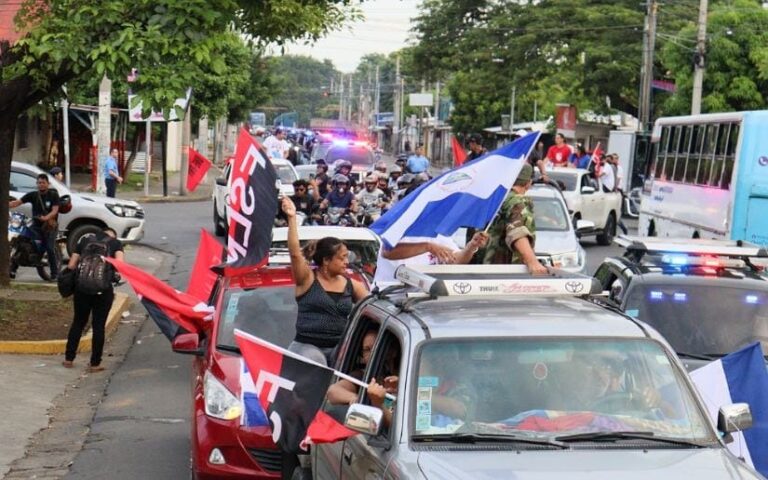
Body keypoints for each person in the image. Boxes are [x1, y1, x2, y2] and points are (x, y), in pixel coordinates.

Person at [281, 197, 368, 365]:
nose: (346, 262)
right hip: (307, 348)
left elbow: (372, 306)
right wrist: (292, 219)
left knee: (346, 362)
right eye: (342, 258)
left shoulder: (351, 285)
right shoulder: (307, 279)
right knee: (315, 362)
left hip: (338, 349)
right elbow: (295, 253)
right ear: (327, 260)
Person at [62, 227, 123, 372]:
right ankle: (95, 363)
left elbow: (71, 265)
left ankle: (69, 359)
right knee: (98, 326)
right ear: (112, 235)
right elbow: (120, 266)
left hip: (82, 289)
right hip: (103, 291)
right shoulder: (116, 244)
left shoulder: (84, 240)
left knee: (78, 322)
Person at [482, 164, 547, 274]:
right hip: (503, 273)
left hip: (480, 268)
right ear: (528, 183)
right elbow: (517, 231)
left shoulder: (492, 198)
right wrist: (533, 262)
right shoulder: (517, 201)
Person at [374, 232, 489, 286]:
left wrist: (471, 247)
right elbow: (387, 252)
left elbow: (456, 260)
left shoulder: (439, 235)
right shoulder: (399, 229)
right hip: (388, 298)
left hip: (422, 300)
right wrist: (427, 247)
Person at [8, 173, 60, 280]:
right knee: (21, 241)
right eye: (39, 183)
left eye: (43, 183)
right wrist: (7, 204)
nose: (41, 185)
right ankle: (13, 269)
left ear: (48, 184)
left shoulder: (53, 195)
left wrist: (46, 218)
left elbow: (55, 211)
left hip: (49, 226)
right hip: (35, 225)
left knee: (49, 248)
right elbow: (16, 203)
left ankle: (54, 273)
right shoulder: (33, 195)